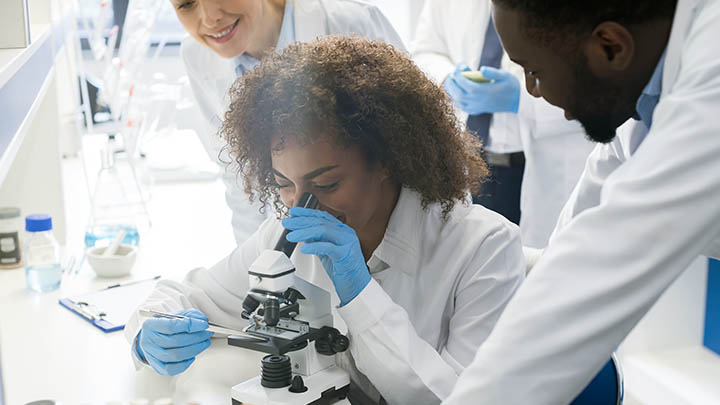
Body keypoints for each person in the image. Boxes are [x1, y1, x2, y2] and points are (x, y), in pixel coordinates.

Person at [125, 37, 526, 404]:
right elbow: (181, 297)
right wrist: (148, 336)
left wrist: (360, 293)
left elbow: (459, 398)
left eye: (328, 183)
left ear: (386, 159)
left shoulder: (486, 248)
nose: (303, 207)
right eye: (283, 184)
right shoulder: (287, 237)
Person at [444, 0, 720, 403]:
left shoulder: (711, 81)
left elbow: (591, 275)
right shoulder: (643, 105)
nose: (531, 90)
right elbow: (574, 244)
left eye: (533, 70)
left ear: (610, 47)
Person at [171, 0, 405, 244]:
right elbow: (239, 180)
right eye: (186, 4)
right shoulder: (197, 55)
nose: (209, 18)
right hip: (296, 245)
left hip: (391, 243)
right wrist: (258, 266)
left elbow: (413, 149)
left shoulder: (350, 22)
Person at [412, 0, 594, 248]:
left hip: (536, 167)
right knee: (469, 259)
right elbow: (426, 50)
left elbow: (594, 84)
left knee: (534, 262)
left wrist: (522, 98)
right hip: (467, 162)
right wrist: (446, 79)